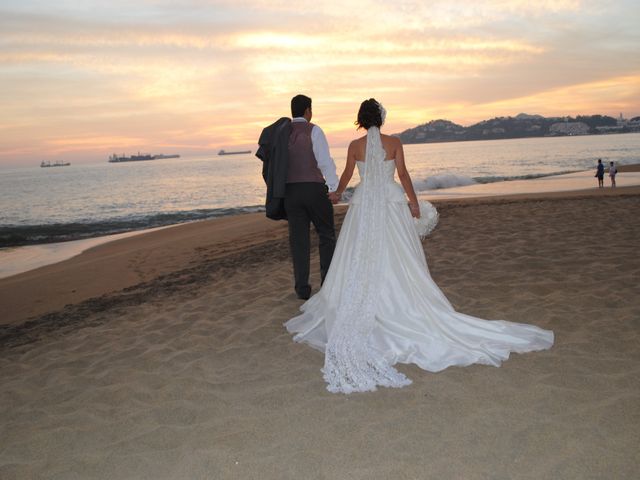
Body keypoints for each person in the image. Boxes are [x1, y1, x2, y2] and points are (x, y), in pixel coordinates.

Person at [285, 99, 554, 394]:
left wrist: (337, 193)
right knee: (399, 256)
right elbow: (403, 174)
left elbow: (349, 175)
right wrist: (413, 202)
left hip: (365, 204)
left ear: (361, 120)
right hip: (389, 200)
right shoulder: (395, 142)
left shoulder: (354, 145)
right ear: (381, 119)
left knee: (358, 254)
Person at [284, 94, 339, 300]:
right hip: (313, 189)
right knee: (326, 234)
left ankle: (302, 289)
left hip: (290, 192)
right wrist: (333, 187)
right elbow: (324, 161)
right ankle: (327, 284)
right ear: (308, 110)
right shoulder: (314, 130)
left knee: (298, 240)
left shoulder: (283, 132)